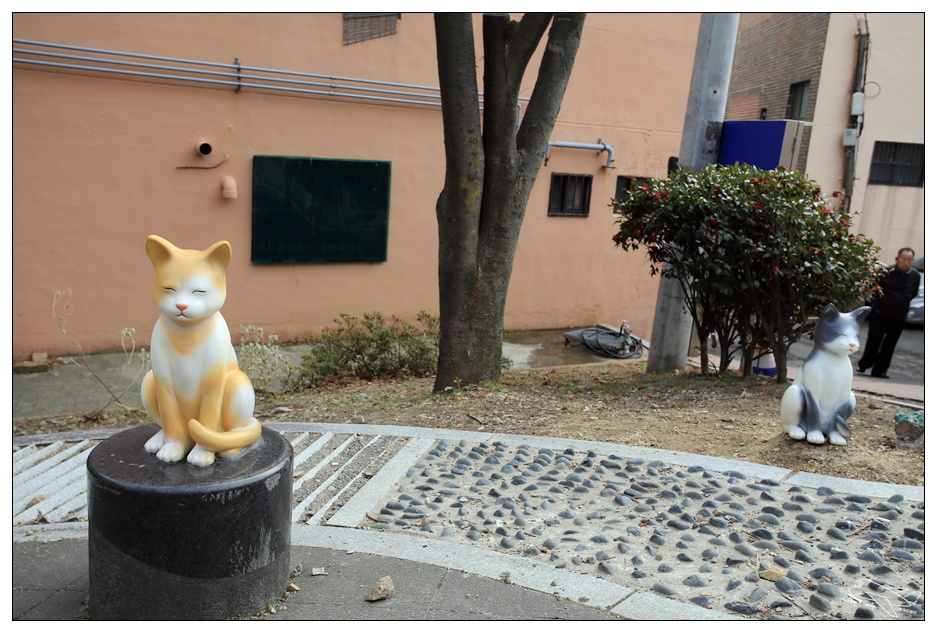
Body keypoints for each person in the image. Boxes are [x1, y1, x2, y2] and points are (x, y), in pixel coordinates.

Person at [857, 247, 921, 378]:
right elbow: (873, 289)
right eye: (903, 259)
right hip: (880, 313)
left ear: (913, 261)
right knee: (874, 341)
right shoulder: (886, 272)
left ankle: (880, 370)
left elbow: (913, 293)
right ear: (897, 259)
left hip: (899, 316)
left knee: (890, 344)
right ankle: (864, 364)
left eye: (909, 260)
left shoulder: (915, 276)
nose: (906, 263)